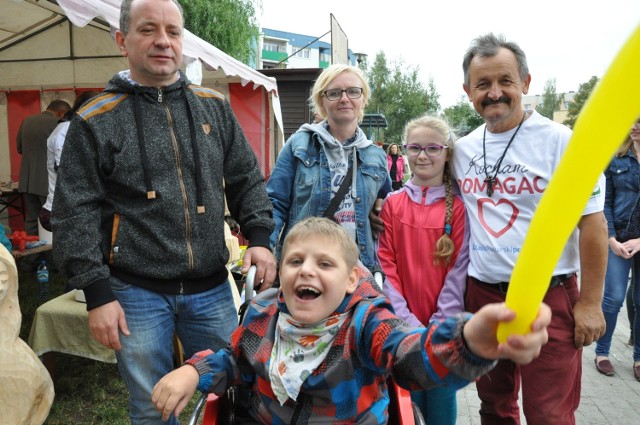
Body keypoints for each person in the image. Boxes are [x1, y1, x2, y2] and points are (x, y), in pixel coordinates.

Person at [51, 0, 276, 423]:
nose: (162, 41)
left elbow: (246, 177)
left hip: (211, 287)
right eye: (148, 29)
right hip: (135, 292)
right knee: (152, 407)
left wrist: (260, 239)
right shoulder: (95, 119)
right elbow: (73, 211)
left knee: (235, 390)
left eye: (173, 32)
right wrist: (97, 293)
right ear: (122, 40)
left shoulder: (214, 106)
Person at [152, 217, 552, 424]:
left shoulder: (365, 323)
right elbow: (233, 360)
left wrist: (467, 342)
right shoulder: (263, 314)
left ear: (350, 280)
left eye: (324, 263)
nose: (306, 271)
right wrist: (193, 372)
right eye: (296, 261)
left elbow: (409, 356)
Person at [450, 33, 608, 424]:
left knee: (549, 413)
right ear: (468, 91)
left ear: (526, 83)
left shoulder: (562, 142)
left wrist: (590, 302)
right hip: (484, 296)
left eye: (505, 81)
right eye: (483, 84)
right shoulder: (463, 148)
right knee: (495, 405)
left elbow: (592, 223)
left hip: (550, 297)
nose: (495, 92)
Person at [378, 115, 468, 424]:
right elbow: (386, 265)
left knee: (441, 396)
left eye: (432, 148)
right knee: (407, 401)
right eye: (414, 147)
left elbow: (459, 270)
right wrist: (407, 321)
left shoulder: (458, 207)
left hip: (443, 326)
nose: (423, 155)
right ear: (404, 151)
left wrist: (439, 324)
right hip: (404, 328)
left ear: (447, 152)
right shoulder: (393, 204)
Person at [266, 64, 391, 271]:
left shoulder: (375, 155)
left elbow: (387, 206)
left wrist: (377, 209)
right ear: (322, 102)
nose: (344, 98)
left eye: (353, 91)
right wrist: (265, 247)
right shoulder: (300, 144)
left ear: (363, 99)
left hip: (358, 268)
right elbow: (275, 203)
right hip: (306, 266)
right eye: (334, 93)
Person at [595, 117, 640, 380]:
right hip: (618, 241)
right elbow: (605, 202)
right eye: (631, 123)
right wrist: (610, 238)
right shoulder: (616, 160)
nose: (634, 127)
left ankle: (638, 358)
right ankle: (602, 352)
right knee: (613, 298)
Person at [16, 99, 70, 268]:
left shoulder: (27, 121)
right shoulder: (58, 125)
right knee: (51, 222)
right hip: (48, 181)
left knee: (31, 220)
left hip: (27, 180)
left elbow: (19, 148)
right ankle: (53, 262)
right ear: (61, 113)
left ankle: (29, 261)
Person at [39, 90, 100, 232]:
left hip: (72, 207)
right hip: (63, 209)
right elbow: (68, 173)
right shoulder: (66, 130)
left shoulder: (74, 128)